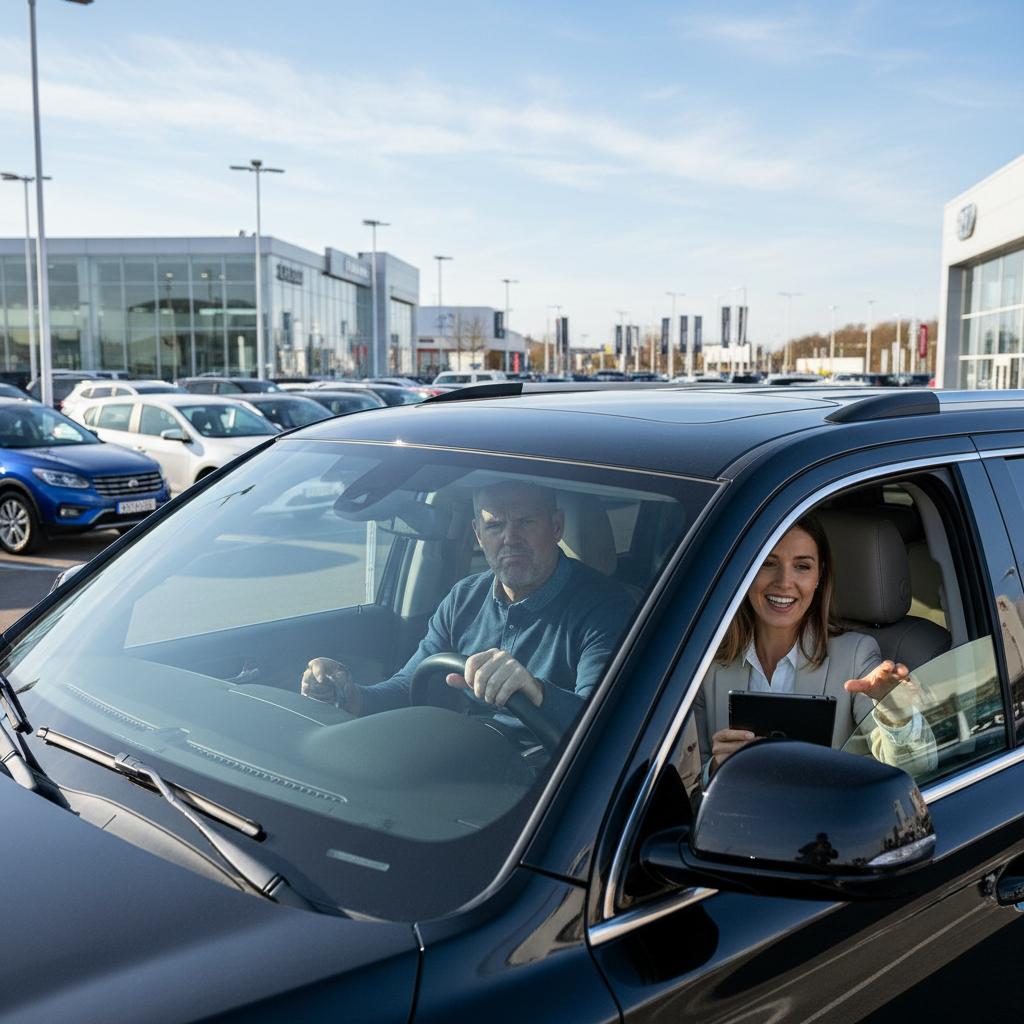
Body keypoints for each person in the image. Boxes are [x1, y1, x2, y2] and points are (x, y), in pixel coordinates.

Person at [300, 480, 636, 732]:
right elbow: (410, 684)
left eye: (526, 522)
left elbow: (604, 724)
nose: (510, 538)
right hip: (468, 755)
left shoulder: (605, 607)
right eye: (495, 525)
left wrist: (535, 692)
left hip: (556, 781)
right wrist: (350, 696)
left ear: (557, 527)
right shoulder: (464, 597)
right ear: (478, 534)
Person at [693, 514, 936, 779]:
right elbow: (689, 784)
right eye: (768, 563)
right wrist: (716, 769)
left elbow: (914, 768)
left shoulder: (855, 656)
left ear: (819, 575)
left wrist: (897, 713)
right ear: (747, 570)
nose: (784, 582)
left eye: (802, 566)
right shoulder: (709, 665)